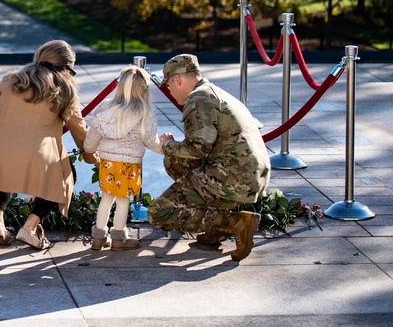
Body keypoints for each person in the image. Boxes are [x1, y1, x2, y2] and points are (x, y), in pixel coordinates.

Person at [0, 39, 95, 249]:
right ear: (65, 68)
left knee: (3, 165)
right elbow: (81, 132)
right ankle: (30, 227)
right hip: (38, 158)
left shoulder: (10, 80)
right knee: (66, 172)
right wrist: (94, 159)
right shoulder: (65, 90)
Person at [148, 54, 271, 261]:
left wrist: (167, 144)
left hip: (233, 178)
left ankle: (231, 222)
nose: (168, 90)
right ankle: (218, 226)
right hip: (251, 176)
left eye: (168, 84)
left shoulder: (198, 99)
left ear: (177, 79)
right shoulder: (215, 93)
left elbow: (197, 149)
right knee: (176, 162)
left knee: (159, 213)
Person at [83, 66, 163, 251]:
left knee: (106, 198)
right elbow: (151, 141)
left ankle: (98, 237)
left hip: (107, 161)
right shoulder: (144, 112)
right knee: (123, 200)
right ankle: (118, 238)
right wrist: (167, 147)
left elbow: (93, 135)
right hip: (128, 164)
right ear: (143, 88)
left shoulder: (106, 108)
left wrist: (89, 149)